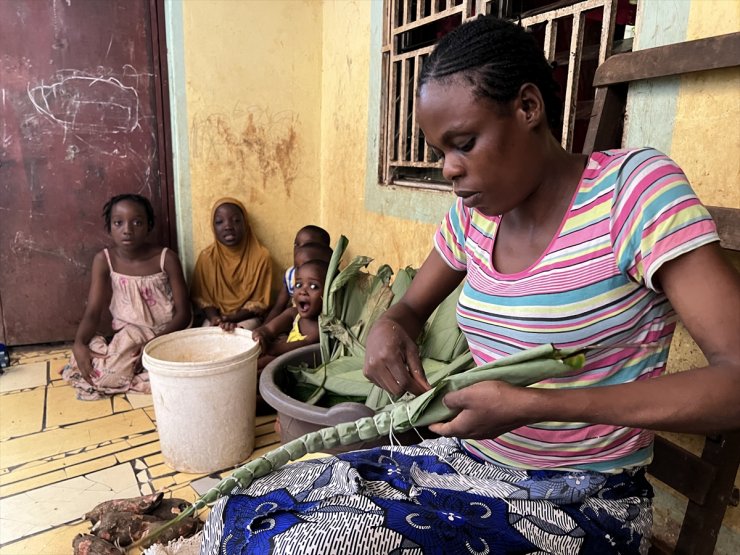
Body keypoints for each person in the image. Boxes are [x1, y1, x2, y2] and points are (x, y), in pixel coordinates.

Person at [200, 17, 740, 554]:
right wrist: (390, 326)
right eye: (439, 152)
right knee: (243, 506)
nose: (449, 171)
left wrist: (533, 407)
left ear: (528, 108)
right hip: (467, 464)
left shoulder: (635, 193)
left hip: (581, 501)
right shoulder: (475, 216)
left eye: (463, 143)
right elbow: (411, 306)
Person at [63, 194, 191, 400]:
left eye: (137, 222)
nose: (127, 230)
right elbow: (93, 311)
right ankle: (122, 362)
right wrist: (78, 343)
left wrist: (153, 345)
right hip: (128, 335)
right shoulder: (105, 260)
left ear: (149, 226)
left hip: (163, 334)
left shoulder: (166, 258)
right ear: (109, 227)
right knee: (93, 363)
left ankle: (133, 367)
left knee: (109, 376)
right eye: (118, 223)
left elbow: (184, 314)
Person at [190, 197, 272, 331]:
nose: (228, 226)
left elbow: (259, 302)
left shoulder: (261, 256)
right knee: (209, 337)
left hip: (247, 318)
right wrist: (216, 319)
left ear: (245, 224)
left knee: (241, 338)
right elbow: (202, 298)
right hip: (215, 317)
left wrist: (230, 319)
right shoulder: (207, 257)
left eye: (236, 220)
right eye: (219, 222)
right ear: (213, 226)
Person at [252, 259, 328, 371]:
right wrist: (261, 334)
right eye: (298, 284)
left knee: (259, 365)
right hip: (277, 358)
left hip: (297, 369)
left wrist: (271, 348)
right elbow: (269, 329)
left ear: (328, 294)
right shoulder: (293, 314)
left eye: (313, 287)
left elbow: (303, 346)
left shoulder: (322, 327)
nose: (303, 291)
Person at [263, 225, 332, 324]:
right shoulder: (291, 274)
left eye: (308, 244)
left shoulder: (329, 281)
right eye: (296, 244)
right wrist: (265, 326)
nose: (299, 249)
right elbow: (278, 307)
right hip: (295, 319)